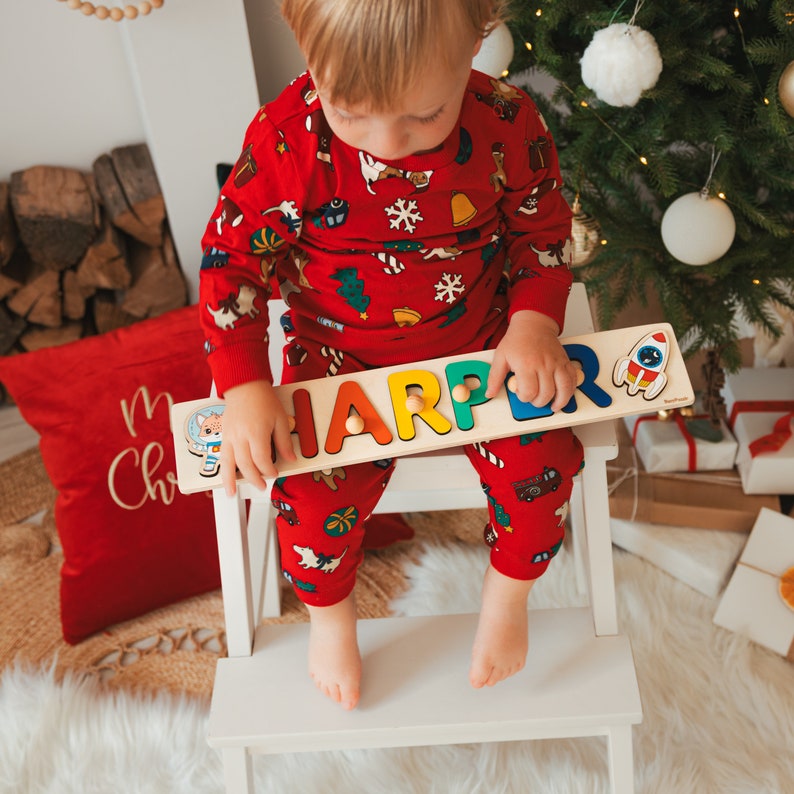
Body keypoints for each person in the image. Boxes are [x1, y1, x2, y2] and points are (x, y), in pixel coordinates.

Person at [199, 0, 583, 711]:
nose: (388, 145)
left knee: (545, 469)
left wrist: (533, 323)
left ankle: (508, 598)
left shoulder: (505, 120)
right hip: (336, 353)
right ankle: (330, 620)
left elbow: (544, 232)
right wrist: (245, 387)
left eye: (424, 117)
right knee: (308, 498)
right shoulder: (288, 140)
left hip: (480, 340)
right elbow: (231, 266)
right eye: (351, 113)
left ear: (481, 32)